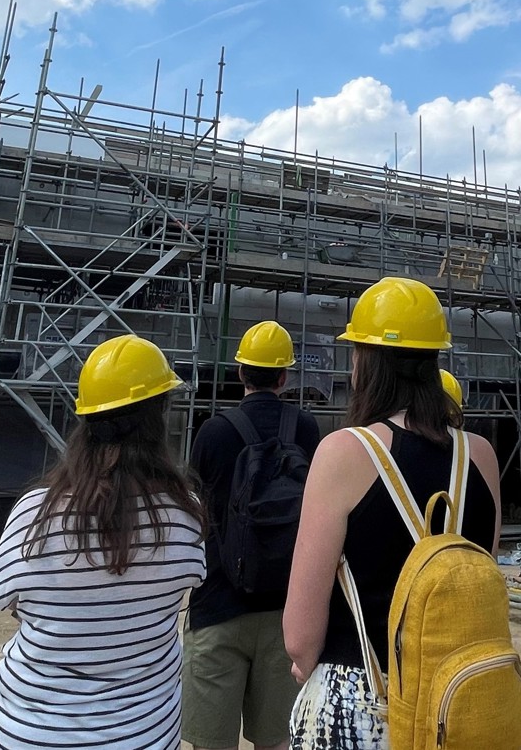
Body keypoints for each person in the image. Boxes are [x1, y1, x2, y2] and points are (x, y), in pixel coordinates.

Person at [283, 276, 501, 749]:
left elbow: (300, 637)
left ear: (365, 361)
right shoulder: (479, 456)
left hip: (366, 703)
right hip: (457, 702)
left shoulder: (344, 452)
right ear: (432, 361)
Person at [0, 334, 207, 750]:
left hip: (30, 731)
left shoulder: (34, 512)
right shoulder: (185, 515)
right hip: (142, 731)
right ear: (157, 419)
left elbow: (8, 600)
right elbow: (188, 579)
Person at [182, 321, 320, 750]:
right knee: (277, 740)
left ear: (240, 372)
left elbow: (197, 509)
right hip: (285, 609)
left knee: (211, 743)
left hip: (218, 605)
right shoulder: (307, 430)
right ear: (284, 376)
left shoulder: (214, 431)